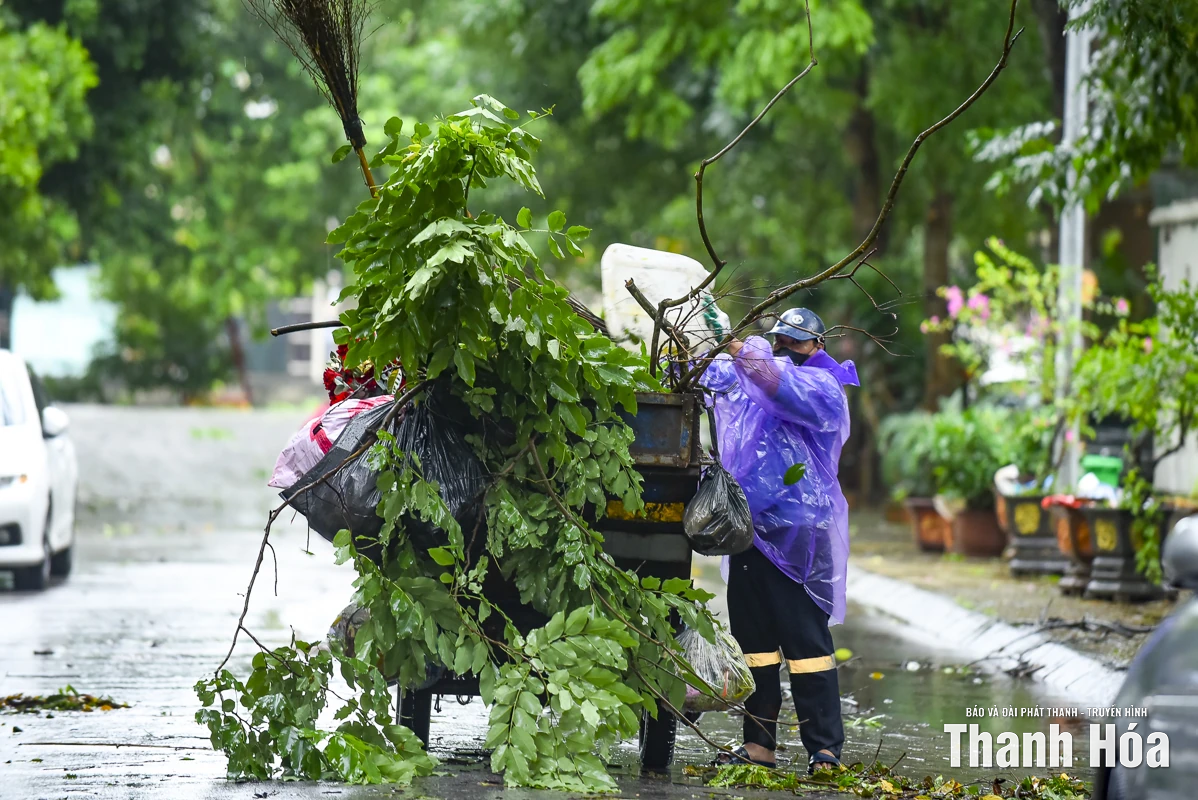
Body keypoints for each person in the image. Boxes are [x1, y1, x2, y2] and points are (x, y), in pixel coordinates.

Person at [698, 307, 858, 773]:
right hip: (748, 532)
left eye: (797, 342)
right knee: (755, 644)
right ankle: (759, 745)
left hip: (799, 539)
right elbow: (708, 378)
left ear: (819, 346)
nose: (787, 349)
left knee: (807, 645)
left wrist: (737, 347)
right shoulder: (750, 373)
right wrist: (695, 341)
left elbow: (774, 383)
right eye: (781, 340)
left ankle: (825, 749)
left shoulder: (824, 388)